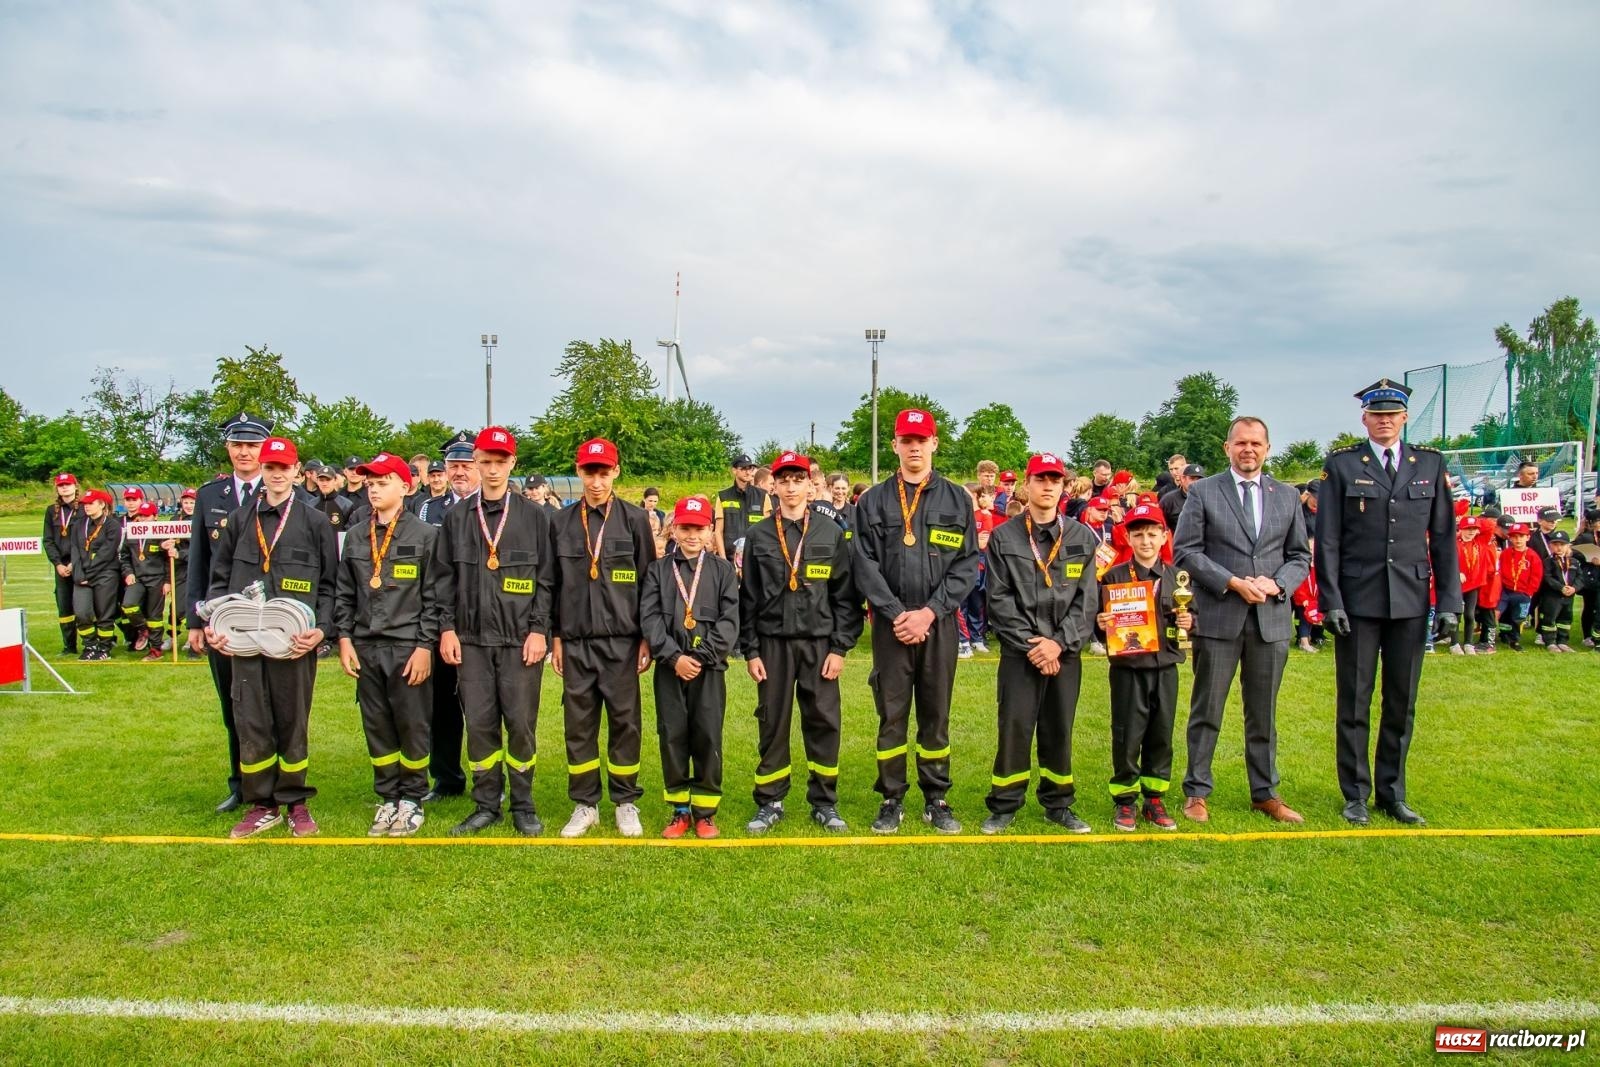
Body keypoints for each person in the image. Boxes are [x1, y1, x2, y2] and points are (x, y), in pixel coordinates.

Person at [1315, 380, 1459, 827]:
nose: (1384, 420)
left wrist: (1450, 601)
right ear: (1364, 418)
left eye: (1391, 414)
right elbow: (1329, 540)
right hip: (1357, 601)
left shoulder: (1429, 465)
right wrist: (1331, 599)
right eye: (1376, 414)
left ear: (1403, 418)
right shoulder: (1342, 465)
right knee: (1354, 701)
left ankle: (1391, 793)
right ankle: (1355, 793)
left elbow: (1445, 540)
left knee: (1401, 702)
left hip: (1412, 602)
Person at [1172, 416, 1310, 824]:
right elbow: (1187, 552)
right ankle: (1197, 791)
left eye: (1256, 443)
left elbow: (1300, 556)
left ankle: (1265, 792)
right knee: (1207, 709)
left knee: (1263, 712)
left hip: (1270, 619)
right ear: (1227, 448)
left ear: (1267, 448)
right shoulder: (1204, 492)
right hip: (1219, 616)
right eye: (1240, 443)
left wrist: (1277, 584)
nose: (1248, 449)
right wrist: (1231, 582)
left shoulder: (1286, 495)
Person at [851, 409, 979, 834]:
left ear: (934, 444)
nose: (914, 448)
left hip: (936, 621)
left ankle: (936, 797)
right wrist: (894, 613)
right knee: (891, 714)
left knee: (935, 713)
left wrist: (928, 612)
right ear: (895, 446)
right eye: (906, 440)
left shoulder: (958, 499)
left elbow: (965, 564)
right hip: (891, 624)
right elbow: (863, 563)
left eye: (921, 440)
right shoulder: (872, 500)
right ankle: (891, 798)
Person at [205, 435, 337, 839]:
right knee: (252, 721)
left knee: (291, 721)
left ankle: (295, 801)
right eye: (269, 468)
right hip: (245, 642)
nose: (277, 475)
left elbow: (331, 585)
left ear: (297, 472)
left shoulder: (315, 522)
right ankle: (261, 804)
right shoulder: (240, 520)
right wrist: (214, 625)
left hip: (295, 642)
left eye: (284, 468)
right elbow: (217, 581)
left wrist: (321, 631)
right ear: (261, 472)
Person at [433, 428, 552, 836]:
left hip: (520, 642)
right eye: (485, 461)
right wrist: (446, 629)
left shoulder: (535, 517)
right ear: (475, 463)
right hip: (471, 642)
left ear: (512, 464)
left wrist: (539, 631)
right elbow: (443, 579)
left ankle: (523, 804)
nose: (493, 468)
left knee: (520, 724)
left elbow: (547, 580)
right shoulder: (456, 517)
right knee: (480, 725)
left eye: (501, 461)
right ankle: (486, 804)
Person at [739, 452, 863, 834]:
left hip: (819, 644)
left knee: (823, 722)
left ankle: (824, 801)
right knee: (772, 723)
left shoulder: (831, 532)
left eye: (798, 480)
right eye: (784, 480)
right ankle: (770, 800)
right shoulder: (759, 535)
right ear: (773, 487)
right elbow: (749, 599)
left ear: (812, 486)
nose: (791, 487)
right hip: (773, 646)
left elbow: (846, 596)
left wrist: (840, 648)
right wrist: (752, 650)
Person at [979, 453, 1098, 834]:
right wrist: (1034, 646)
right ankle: (1005, 804)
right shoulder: (1004, 536)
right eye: (1041, 479)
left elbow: (1087, 600)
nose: (1048, 486)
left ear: (1063, 487)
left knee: (1059, 727)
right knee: (1014, 726)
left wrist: (1058, 644)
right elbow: (997, 600)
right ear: (1027, 484)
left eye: (1055, 480)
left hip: (1065, 653)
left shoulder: (1081, 536)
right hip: (1020, 652)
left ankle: (1059, 803)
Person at [550, 437, 655, 838]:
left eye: (603, 472)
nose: (596, 481)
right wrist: (556, 637)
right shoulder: (558, 522)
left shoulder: (634, 520)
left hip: (622, 642)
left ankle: (625, 801)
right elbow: (552, 585)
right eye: (589, 472)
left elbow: (649, 582)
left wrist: (646, 638)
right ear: (579, 472)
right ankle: (585, 804)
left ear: (616, 472)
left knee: (625, 722)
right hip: (576, 642)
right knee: (579, 724)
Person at [335, 453, 440, 837]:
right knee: (377, 725)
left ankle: (412, 798)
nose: (374, 489)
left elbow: (435, 597)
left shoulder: (426, 536)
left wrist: (425, 646)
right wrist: (344, 639)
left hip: (407, 645)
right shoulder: (357, 535)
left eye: (382, 482)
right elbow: (344, 594)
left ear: (405, 486)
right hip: (366, 646)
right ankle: (388, 797)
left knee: (412, 724)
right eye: (370, 483)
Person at [186, 413, 271, 814]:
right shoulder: (209, 496)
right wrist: (195, 621)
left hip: (271, 618)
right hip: (223, 620)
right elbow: (198, 563)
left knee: (274, 703)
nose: (244, 451)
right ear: (228, 448)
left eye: (252, 445)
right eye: (238, 444)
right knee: (232, 704)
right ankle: (240, 783)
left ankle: (277, 784)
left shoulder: (280, 491)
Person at [641, 495, 739, 839]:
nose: (693, 535)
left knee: (707, 735)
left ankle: (706, 811)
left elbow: (729, 622)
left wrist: (699, 658)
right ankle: (680, 809)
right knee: (672, 736)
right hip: (670, 669)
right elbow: (650, 620)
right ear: (674, 529)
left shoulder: (724, 571)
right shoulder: (657, 570)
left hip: (708, 670)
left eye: (700, 528)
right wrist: (673, 657)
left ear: (711, 532)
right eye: (685, 528)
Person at [1097, 503, 1191, 832]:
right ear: (1127, 536)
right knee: (1127, 734)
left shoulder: (1178, 577)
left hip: (1166, 667)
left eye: (1152, 534)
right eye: (1138, 535)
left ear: (1164, 536)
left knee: (1161, 733)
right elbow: (1098, 626)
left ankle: (1154, 797)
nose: (1146, 541)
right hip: (1127, 669)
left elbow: (1194, 618)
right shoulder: (1113, 577)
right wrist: (1101, 621)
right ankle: (1124, 800)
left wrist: (1188, 620)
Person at [418, 430, 479, 803]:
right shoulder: (429, 509)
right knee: (441, 707)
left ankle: (491, 780)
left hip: (484, 622)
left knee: (485, 709)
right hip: (441, 619)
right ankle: (446, 778)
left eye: (466, 464)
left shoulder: (497, 505)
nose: (459, 471)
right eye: (453, 464)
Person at [69, 489, 126, 660]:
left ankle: (104, 648)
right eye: (85, 504)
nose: (86, 507)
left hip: (105, 574)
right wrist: (79, 575)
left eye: (91, 503)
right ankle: (89, 645)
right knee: (82, 612)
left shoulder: (113, 525)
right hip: (82, 576)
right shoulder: (79, 524)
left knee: (104, 613)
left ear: (102, 504)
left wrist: (90, 574)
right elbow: (75, 550)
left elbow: (107, 553)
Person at [121, 500, 173, 661]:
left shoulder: (162, 533)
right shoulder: (132, 533)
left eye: (146, 516)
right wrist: (128, 572)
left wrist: (167, 581)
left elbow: (169, 561)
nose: (143, 520)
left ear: (155, 517)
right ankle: (143, 629)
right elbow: (124, 557)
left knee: (154, 616)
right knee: (128, 605)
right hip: (137, 579)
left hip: (157, 579)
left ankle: (156, 649)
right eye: (140, 516)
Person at [43, 472, 81, 655]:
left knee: (86, 605)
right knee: (64, 605)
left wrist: (75, 562)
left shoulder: (83, 508)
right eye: (61, 485)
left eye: (67, 484)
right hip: (61, 566)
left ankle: (98, 643)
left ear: (75, 486)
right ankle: (69, 646)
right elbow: (48, 540)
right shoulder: (51, 511)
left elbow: (87, 538)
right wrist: (57, 563)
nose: (64, 488)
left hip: (80, 563)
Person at [1496, 523, 1541, 651]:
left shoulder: (1532, 556)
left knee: (1518, 617)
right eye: (1514, 537)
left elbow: (1536, 576)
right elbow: (1500, 571)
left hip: (1523, 593)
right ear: (1510, 538)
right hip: (1505, 591)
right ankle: (1504, 635)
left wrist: (1529, 592)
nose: (1518, 540)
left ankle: (1514, 640)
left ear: (1528, 537)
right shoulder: (1505, 554)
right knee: (1502, 614)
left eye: (1521, 536)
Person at [713, 454, 766, 561]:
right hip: (729, 558)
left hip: (755, 558)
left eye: (750, 468)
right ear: (734, 470)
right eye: (743, 469)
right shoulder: (723, 497)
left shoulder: (763, 496)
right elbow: (718, 531)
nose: (748, 472)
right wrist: (723, 560)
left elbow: (767, 530)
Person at [1450, 516, 1490, 655]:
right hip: (1457, 583)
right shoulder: (1454, 543)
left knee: (1469, 614)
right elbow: (1448, 561)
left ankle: (1468, 643)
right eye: (1467, 529)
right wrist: (1456, 573)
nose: (1471, 532)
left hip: (1473, 584)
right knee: (1456, 613)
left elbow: (1490, 525)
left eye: (1474, 529)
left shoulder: (1480, 542)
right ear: (1460, 529)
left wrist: (1476, 520)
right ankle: (1454, 643)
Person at [1537, 531, 1580, 652]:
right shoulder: (1548, 561)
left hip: (1569, 596)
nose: (1559, 547)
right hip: (1552, 596)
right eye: (1555, 544)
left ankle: (1562, 641)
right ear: (1551, 546)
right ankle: (1550, 642)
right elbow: (1547, 577)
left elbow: (1580, 578)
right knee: (1550, 618)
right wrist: (1560, 587)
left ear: (1568, 546)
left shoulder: (1574, 562)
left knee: (1566, 619)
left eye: (1562, 544)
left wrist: (1574, 588)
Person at [1159, 463, 1203, 530]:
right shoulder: (1168, 500)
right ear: (1183, 479)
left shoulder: (1209, 499)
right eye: (1192, 478)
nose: (1196, 482)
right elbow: (1160, 526)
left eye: (1199, 479)